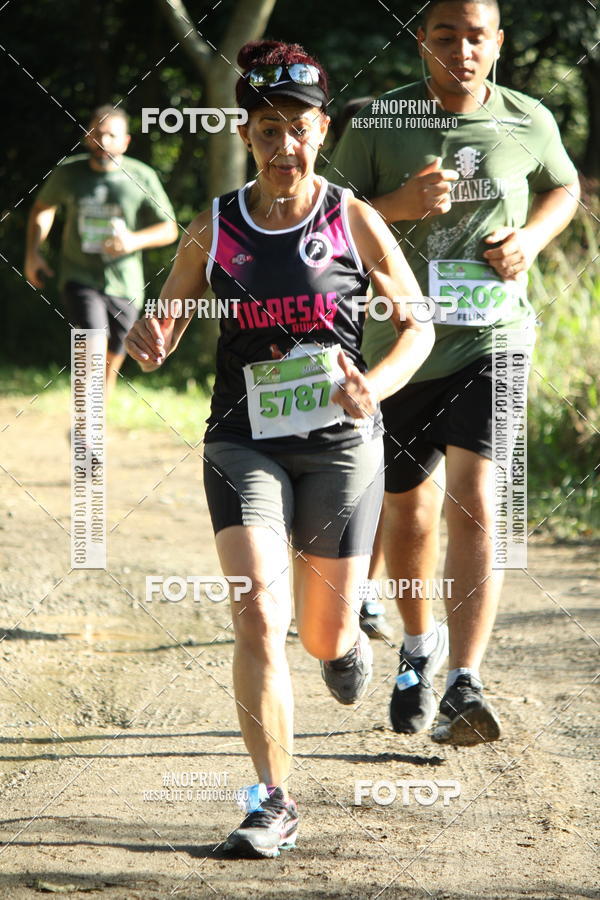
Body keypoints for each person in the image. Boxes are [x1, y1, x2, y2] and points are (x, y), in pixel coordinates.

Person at [126, 39, 434, 858]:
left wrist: (381, 384)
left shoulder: (352, 219)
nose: (284, 143)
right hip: (242, 441)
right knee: (259, 612)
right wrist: (151, 338)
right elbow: (166, 322)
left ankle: (343, 646)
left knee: (322, 632)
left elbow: (417, 324)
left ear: (322, 129)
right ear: (246, 132)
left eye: (298, 126)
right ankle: (271, 801)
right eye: (267, 128)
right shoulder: (216, 226)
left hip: (338, 444)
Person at [325, 0, 579, 744]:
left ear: (497, 43)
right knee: (407, 514)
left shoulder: (529, 117)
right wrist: (399, 205)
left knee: (475, 497)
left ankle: (466, 683)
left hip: (491, 340)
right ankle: (417, 650)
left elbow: (562, 186)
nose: (462, 50)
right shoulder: (377, 123)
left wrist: (530, 238)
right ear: (421, 43)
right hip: (400, 346)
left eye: (476, 37)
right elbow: (325, 219)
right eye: (445, 36)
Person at [24, 105, 178, 398]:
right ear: (86, 136)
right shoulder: (69, 172)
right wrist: (33, 252)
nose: (103, 141)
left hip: (125, 281)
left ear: (125, 142)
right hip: (79, 274)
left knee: (118, 345)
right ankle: (88, 410)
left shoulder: (141, 176)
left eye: (111, 135)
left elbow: (170, 229)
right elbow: (43, 208)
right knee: (93, 337)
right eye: (96, 133)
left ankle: (100, 398)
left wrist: (132, 241)